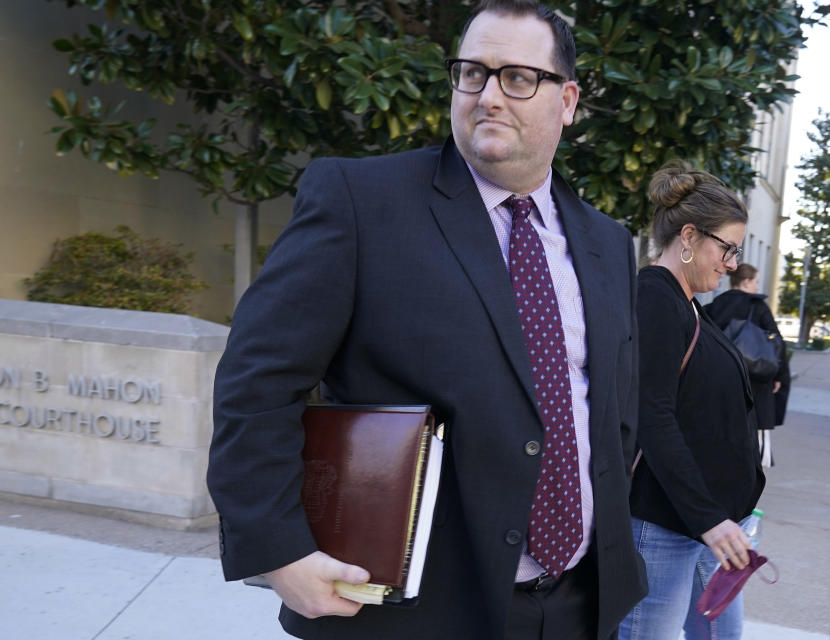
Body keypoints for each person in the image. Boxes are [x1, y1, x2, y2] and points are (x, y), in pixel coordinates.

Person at [207, 2, 647, 639]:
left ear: (568, 100)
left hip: (578, 605)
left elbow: (613, 410)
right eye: (473, 73)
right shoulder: (360, 202)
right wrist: (279, 548)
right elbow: (256, 383)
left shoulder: (607, 242)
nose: (490, 96)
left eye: (518, 78)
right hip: (412, 609)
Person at [619, 161, 765, 640]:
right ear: (688, 236)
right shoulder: (656, 299)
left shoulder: (686, 303)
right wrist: (710, 519)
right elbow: (653, 417)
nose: (731, 263)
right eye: (726, 248)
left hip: (711, 529)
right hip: (670, 528)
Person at [705, 263, 791, 468]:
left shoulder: (715, 304)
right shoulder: (757, 306)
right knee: (753, 447)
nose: (756, 287)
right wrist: (779, 376)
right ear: (746, 281)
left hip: (720, 382)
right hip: (755, 383)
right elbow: (776, 343)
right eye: (756, 282)